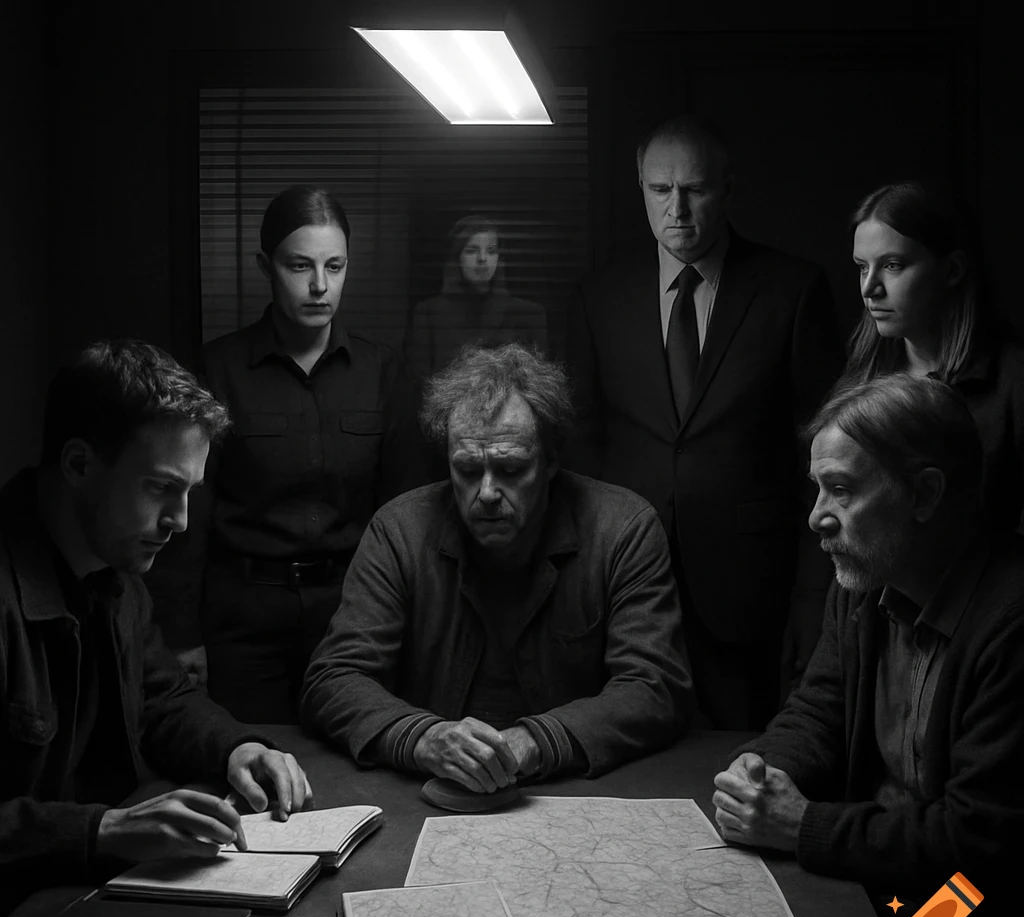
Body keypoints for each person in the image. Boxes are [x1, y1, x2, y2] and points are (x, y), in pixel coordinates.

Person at [711, 374, 1023, 917]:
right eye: (817, 488)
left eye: (842, 490)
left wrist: (803, 826)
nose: (816, 517)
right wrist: (762, 771)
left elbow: (979, 841)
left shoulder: (1011, 624)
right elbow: (819, 709)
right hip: (878, 872)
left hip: (968, 908)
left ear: (925, 494)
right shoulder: (865, 580)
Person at [0, 340, 313, 917]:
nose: (181, 521)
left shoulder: (112, 567)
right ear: (78, 464)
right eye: (161, 487)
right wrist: (104, 829)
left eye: (189, 491)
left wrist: (236, 748)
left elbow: (162, 696)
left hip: (79, 902)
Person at [299, 343, 693, 792]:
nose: (486, 492)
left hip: (574, 791)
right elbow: (334, 678)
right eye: (468, 470)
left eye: (510, 469)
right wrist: (422, 738)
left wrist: (534, 742)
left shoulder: (623, 529)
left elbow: (655, 685)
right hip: (433, 791)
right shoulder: (399, 531)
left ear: (551, 461)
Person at [563, 112, 843, 730]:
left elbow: (823, 457)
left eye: (695, 189)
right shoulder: (599, 296)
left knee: (738, 756)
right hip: (625, 580)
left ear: (728, 189)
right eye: (661, 190)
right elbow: (580, 448)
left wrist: (813, 597)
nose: (678, 209)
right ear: (640, 189)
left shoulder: (792, 290)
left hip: (750, 590)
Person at [147, 184, 425, 724]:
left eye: (334, 266)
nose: (320, 285)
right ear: (265, 266)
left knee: (358, 756)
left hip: (355, 616)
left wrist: (412, 623)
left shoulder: (384, 373)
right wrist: (180, 635)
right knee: (253, 760)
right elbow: (186, 517)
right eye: (300, 266)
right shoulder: (216, 370)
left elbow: (408, 513)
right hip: (242, 621)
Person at [844, 179, 1024, 533]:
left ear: (952, 270)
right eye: (862, 267)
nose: (869, 288)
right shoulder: (862, 374)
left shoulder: (1013, 384)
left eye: (892, 265)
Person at [405, 215, 548, 382]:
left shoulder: (529, 315)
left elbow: (538, 386)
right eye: (472, 250)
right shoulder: (429, 313)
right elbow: (420, 386)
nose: (482, 258)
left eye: (491, 251)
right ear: (457, 257)